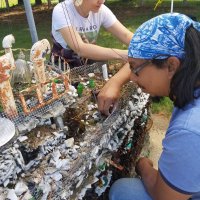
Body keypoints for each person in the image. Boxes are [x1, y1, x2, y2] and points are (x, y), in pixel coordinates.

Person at [97, 13, 200, 200]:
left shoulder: (190, 129)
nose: (133, 79)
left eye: (135, 69)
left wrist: (143, 166)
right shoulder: (192, 79)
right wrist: (115, 83)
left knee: (123, 191)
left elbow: (165, 197)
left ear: (171, 66)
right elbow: (140, 59)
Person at [51, 0, 133, 67]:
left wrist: (143, 47)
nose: (102, 1)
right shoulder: (62, 10)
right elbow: (80, 48)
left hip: (90, 60)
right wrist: (122, 54)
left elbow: (126, 35)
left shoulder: (102, 10)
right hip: (63, 65)